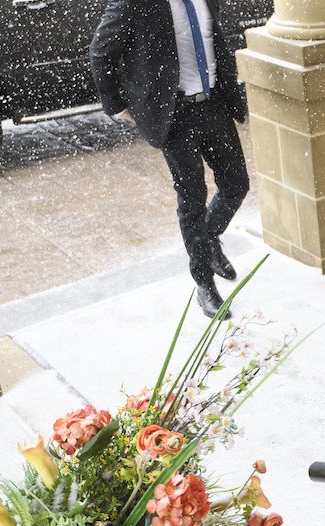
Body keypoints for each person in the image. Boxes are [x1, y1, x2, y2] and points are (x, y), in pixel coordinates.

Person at [89, 0, 249, 319]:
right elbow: (100, 52)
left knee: (236, 185)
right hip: (175, 116)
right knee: (192, 200)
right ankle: (204, 285)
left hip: (214, 103)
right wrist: (117, 105)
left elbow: (214, 40)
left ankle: (209, 236)